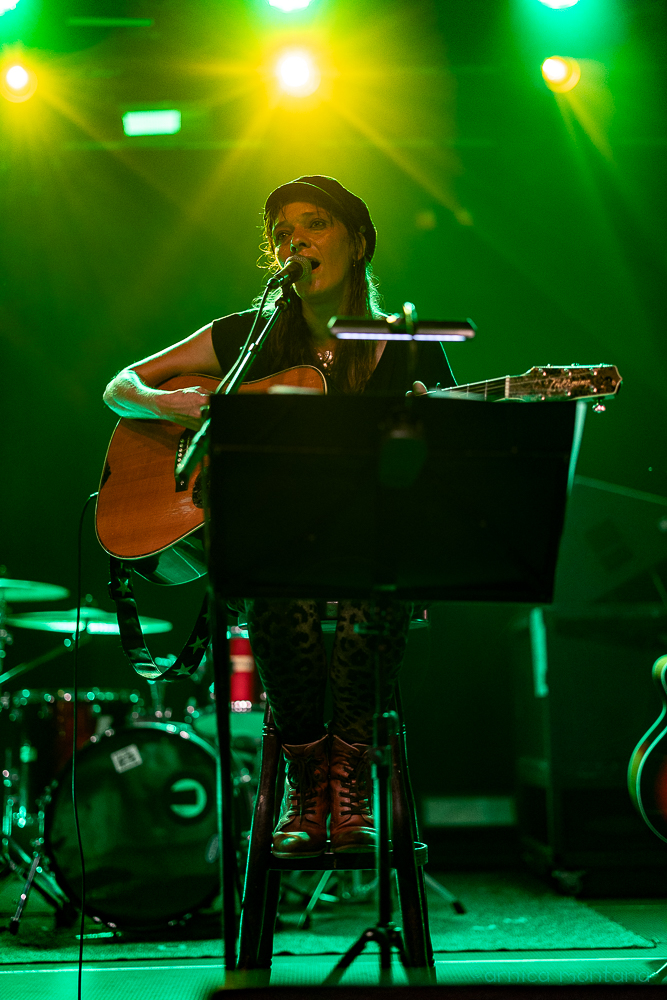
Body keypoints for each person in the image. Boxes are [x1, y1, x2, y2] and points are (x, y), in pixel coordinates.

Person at [103, 175, 457, 860]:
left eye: (313, 224)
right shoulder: (245, 335)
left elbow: (445, 472)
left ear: (356, 241)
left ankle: (344, 776)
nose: (294, 239)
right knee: (276, 587)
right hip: (274, 551)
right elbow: (121, 387)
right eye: (281, 232)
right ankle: (305, 774)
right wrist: (179, 407)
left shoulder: (411, 347)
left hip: (371, 553)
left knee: (369, 595)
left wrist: (423, 432)